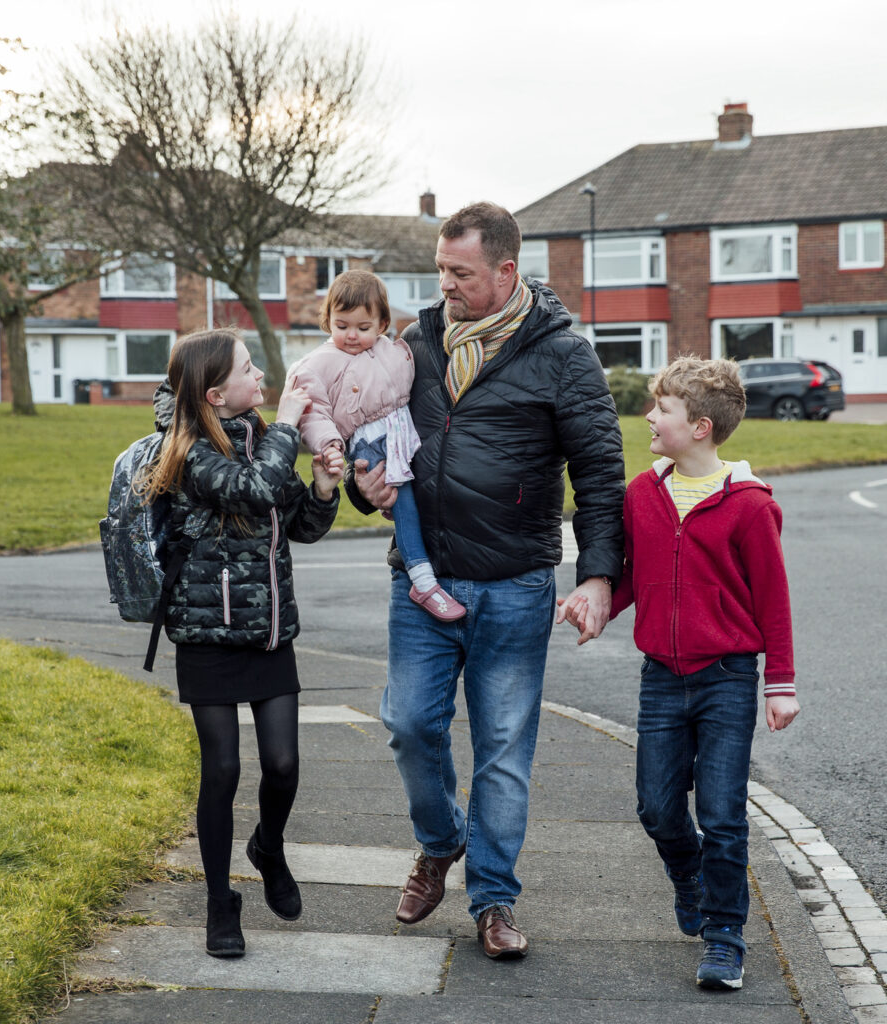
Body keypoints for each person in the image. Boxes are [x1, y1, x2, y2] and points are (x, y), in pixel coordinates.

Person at [349, 202, 625, 959]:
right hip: (423, 579)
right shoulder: (412, 346)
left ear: (506, 271)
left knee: (503, 749)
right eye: (440, 270)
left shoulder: (564, 354)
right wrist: (360, 486)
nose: (446, 287)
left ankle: (494, 901)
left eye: (460, 273)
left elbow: (601, 472)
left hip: (515, 584)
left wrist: (598, 575)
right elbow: (372, 440)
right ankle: (441, 842)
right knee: (409, 724)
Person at [565, 355, 799, 990]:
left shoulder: (749, 507)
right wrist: (599, 604)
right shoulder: (645, 493)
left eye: (661, 408)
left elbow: (772, 599)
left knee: (723, 814)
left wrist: (780, 683)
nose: (649, 416)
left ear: (699, 426)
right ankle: (689, 875)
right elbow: (638, 573)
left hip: (727, 678)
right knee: (657, 807)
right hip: (661, 680)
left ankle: (725, 937)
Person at [139, 328, 342, 958]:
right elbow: (250, 490)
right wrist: (287, 428)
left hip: (268, 629)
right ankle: (219, 902)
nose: (262, 377)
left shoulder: (258, 435)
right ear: (215, 392)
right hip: (206, 632)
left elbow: (296, 524)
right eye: (250, 369)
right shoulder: (188, 449)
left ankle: (269, 847)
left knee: (282, 764)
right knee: (222, 769)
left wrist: (325, 487)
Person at [290, 269, 464, 622]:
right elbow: (314, 412)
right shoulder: (317, 363)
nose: (351, 335)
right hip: (370, 439)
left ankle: (434, 560)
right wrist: (330, 445)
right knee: (404, 500)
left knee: (423, 492)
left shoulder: (393, 348)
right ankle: (421, 577)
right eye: (341, 326)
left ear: (382, 323)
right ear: (327, 321)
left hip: (401, 432)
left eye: (363, 327)